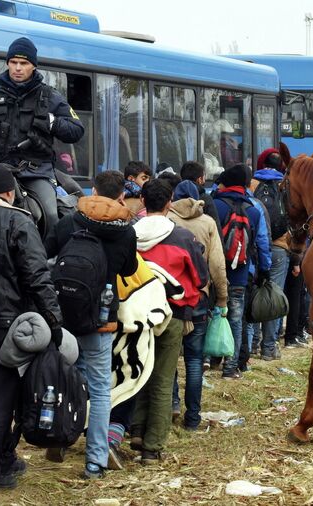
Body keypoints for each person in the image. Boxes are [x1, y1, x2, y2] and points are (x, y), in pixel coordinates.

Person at [0, 163, 64, 491]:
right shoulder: (18, 220)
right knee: (0, 399)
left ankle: (3, 458)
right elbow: (38, 277)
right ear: (10, 192)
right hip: (7, 324)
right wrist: (53, 321)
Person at [47, 170, 138, 479]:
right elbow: (129, 268)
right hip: (101, 319)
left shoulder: (68, 222)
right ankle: (94, 462)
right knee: (100, 389)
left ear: (94, 189)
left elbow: (46, 252)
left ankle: (59, 437)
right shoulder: (125, 230)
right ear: (121, 196)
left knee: (66, 379)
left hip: (66, 315)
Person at [0, 37, 85, 238]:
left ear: (33, 66)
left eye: (24, 63)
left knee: (51, 215)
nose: (18, 68)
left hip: (36, 173)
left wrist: (52, 122)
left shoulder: (50, 97)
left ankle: (47, 262)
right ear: (8, 63)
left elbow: (77, 130)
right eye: (13, 62)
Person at [131, 179, 208, 462]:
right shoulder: (182, 237)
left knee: (140, 374)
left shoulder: (128, 235)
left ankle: (136, 429)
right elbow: (201, 279)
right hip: (172, 314)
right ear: (169, 202)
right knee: (164, 379)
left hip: (136, 315)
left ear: (142, 200)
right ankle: (153, 446)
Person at [168, 180, 228, 430]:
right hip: (199, 298)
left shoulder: (167, 221)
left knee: (168, 358)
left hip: (168, 296)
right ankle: (192, 418)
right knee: (194, 361)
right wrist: (222, 297)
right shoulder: (208, 223)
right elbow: (216, 264)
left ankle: (171, 405)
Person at [213, 164, 271, 378]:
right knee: (236, 321)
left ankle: (211, 360)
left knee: (213, 315)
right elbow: (262, 243)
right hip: (241, 273)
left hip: (215, 273)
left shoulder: (214, 205)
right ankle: (231, 368)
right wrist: (264, 270)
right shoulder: (254, 211)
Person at [251, 148, 290, 360]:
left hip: (257, 249)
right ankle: (269, 347)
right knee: (273, 297)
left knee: (255, 294)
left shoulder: (252, 184)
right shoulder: (285, 184)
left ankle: (253, 344)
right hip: (279, 248)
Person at [179, 161, 221, 231]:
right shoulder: (205, 199)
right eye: (204, 176)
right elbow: (216, 228)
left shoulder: (174, 197)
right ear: (200, 180)